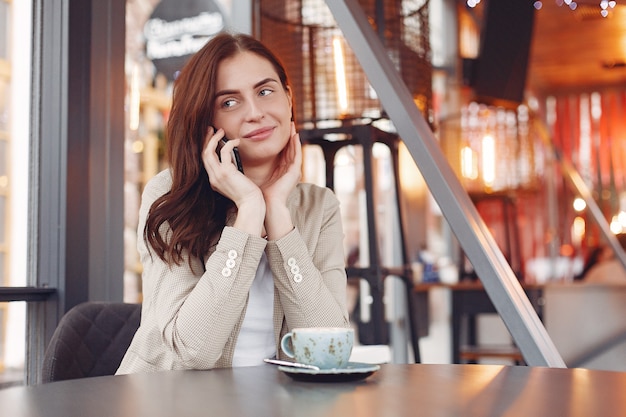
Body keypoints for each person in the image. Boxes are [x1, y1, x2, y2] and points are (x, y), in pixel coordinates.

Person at [117, 32, 350, 374]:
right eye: (229, 102)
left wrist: (279, 217)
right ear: (206, 122)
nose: (255, 113)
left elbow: (327, 352)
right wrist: (249, 213)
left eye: (265, 91)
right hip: (169, 402)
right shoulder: (169, 194)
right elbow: (190, 353)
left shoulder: (319, 206)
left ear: (288, 99)